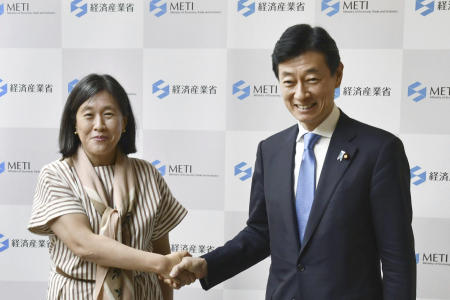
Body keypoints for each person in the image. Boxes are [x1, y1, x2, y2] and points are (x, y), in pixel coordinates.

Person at [168, 24, 417, 299]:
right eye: (289, 81)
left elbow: (398, 261)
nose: (300, 94)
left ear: (338, 75)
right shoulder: (270, 151)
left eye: (311, 79)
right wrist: (206, 265)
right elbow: (261, 232)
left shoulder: (379, 151)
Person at [28, 74, 193, 300]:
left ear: (124, 122)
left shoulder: (148, 175)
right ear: (74, 123)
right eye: (88, 115)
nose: (99, 125)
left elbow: (162, 252)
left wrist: (165, 271)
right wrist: (160, 264)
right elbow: (84, 244)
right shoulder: (56, 175)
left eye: (108, 115)